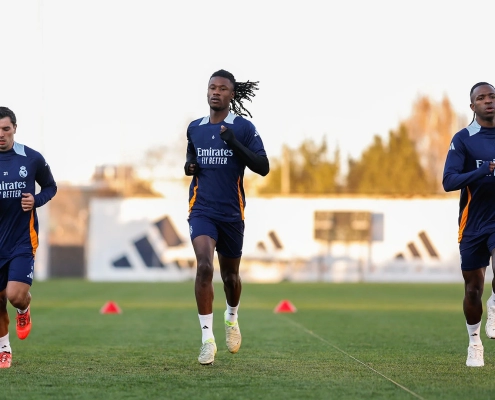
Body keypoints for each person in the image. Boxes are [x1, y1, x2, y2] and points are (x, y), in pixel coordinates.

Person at [184, 69, 269, 365]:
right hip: (202, 209)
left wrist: (233, 142)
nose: (215, 92)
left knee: (230, 277)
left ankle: (231, 316)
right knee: (204, 266)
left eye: (222, 88)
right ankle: (207, 339)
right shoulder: (195, 127)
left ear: (232, 95)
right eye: (212, 87)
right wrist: (190, 166)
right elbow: (190, 157)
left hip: (232, 213)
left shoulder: (243, 128)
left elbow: (263, 166)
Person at [0, 107, 57, 368]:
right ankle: (4, 350)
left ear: (14, 128)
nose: (1, 135)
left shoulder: (31, 158)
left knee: (14, 295)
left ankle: (24, 309)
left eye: (5, 129)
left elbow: (50, 187)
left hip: (23, 240)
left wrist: (35, 200)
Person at [443, 82, 495, 367]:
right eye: (482, 98)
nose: (489, 101)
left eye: (493, 96)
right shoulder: (464, 139)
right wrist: (479, 172)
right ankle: (474, 343)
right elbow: (448, 181)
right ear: (472, 106)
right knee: (473, 289)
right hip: (473, 222)